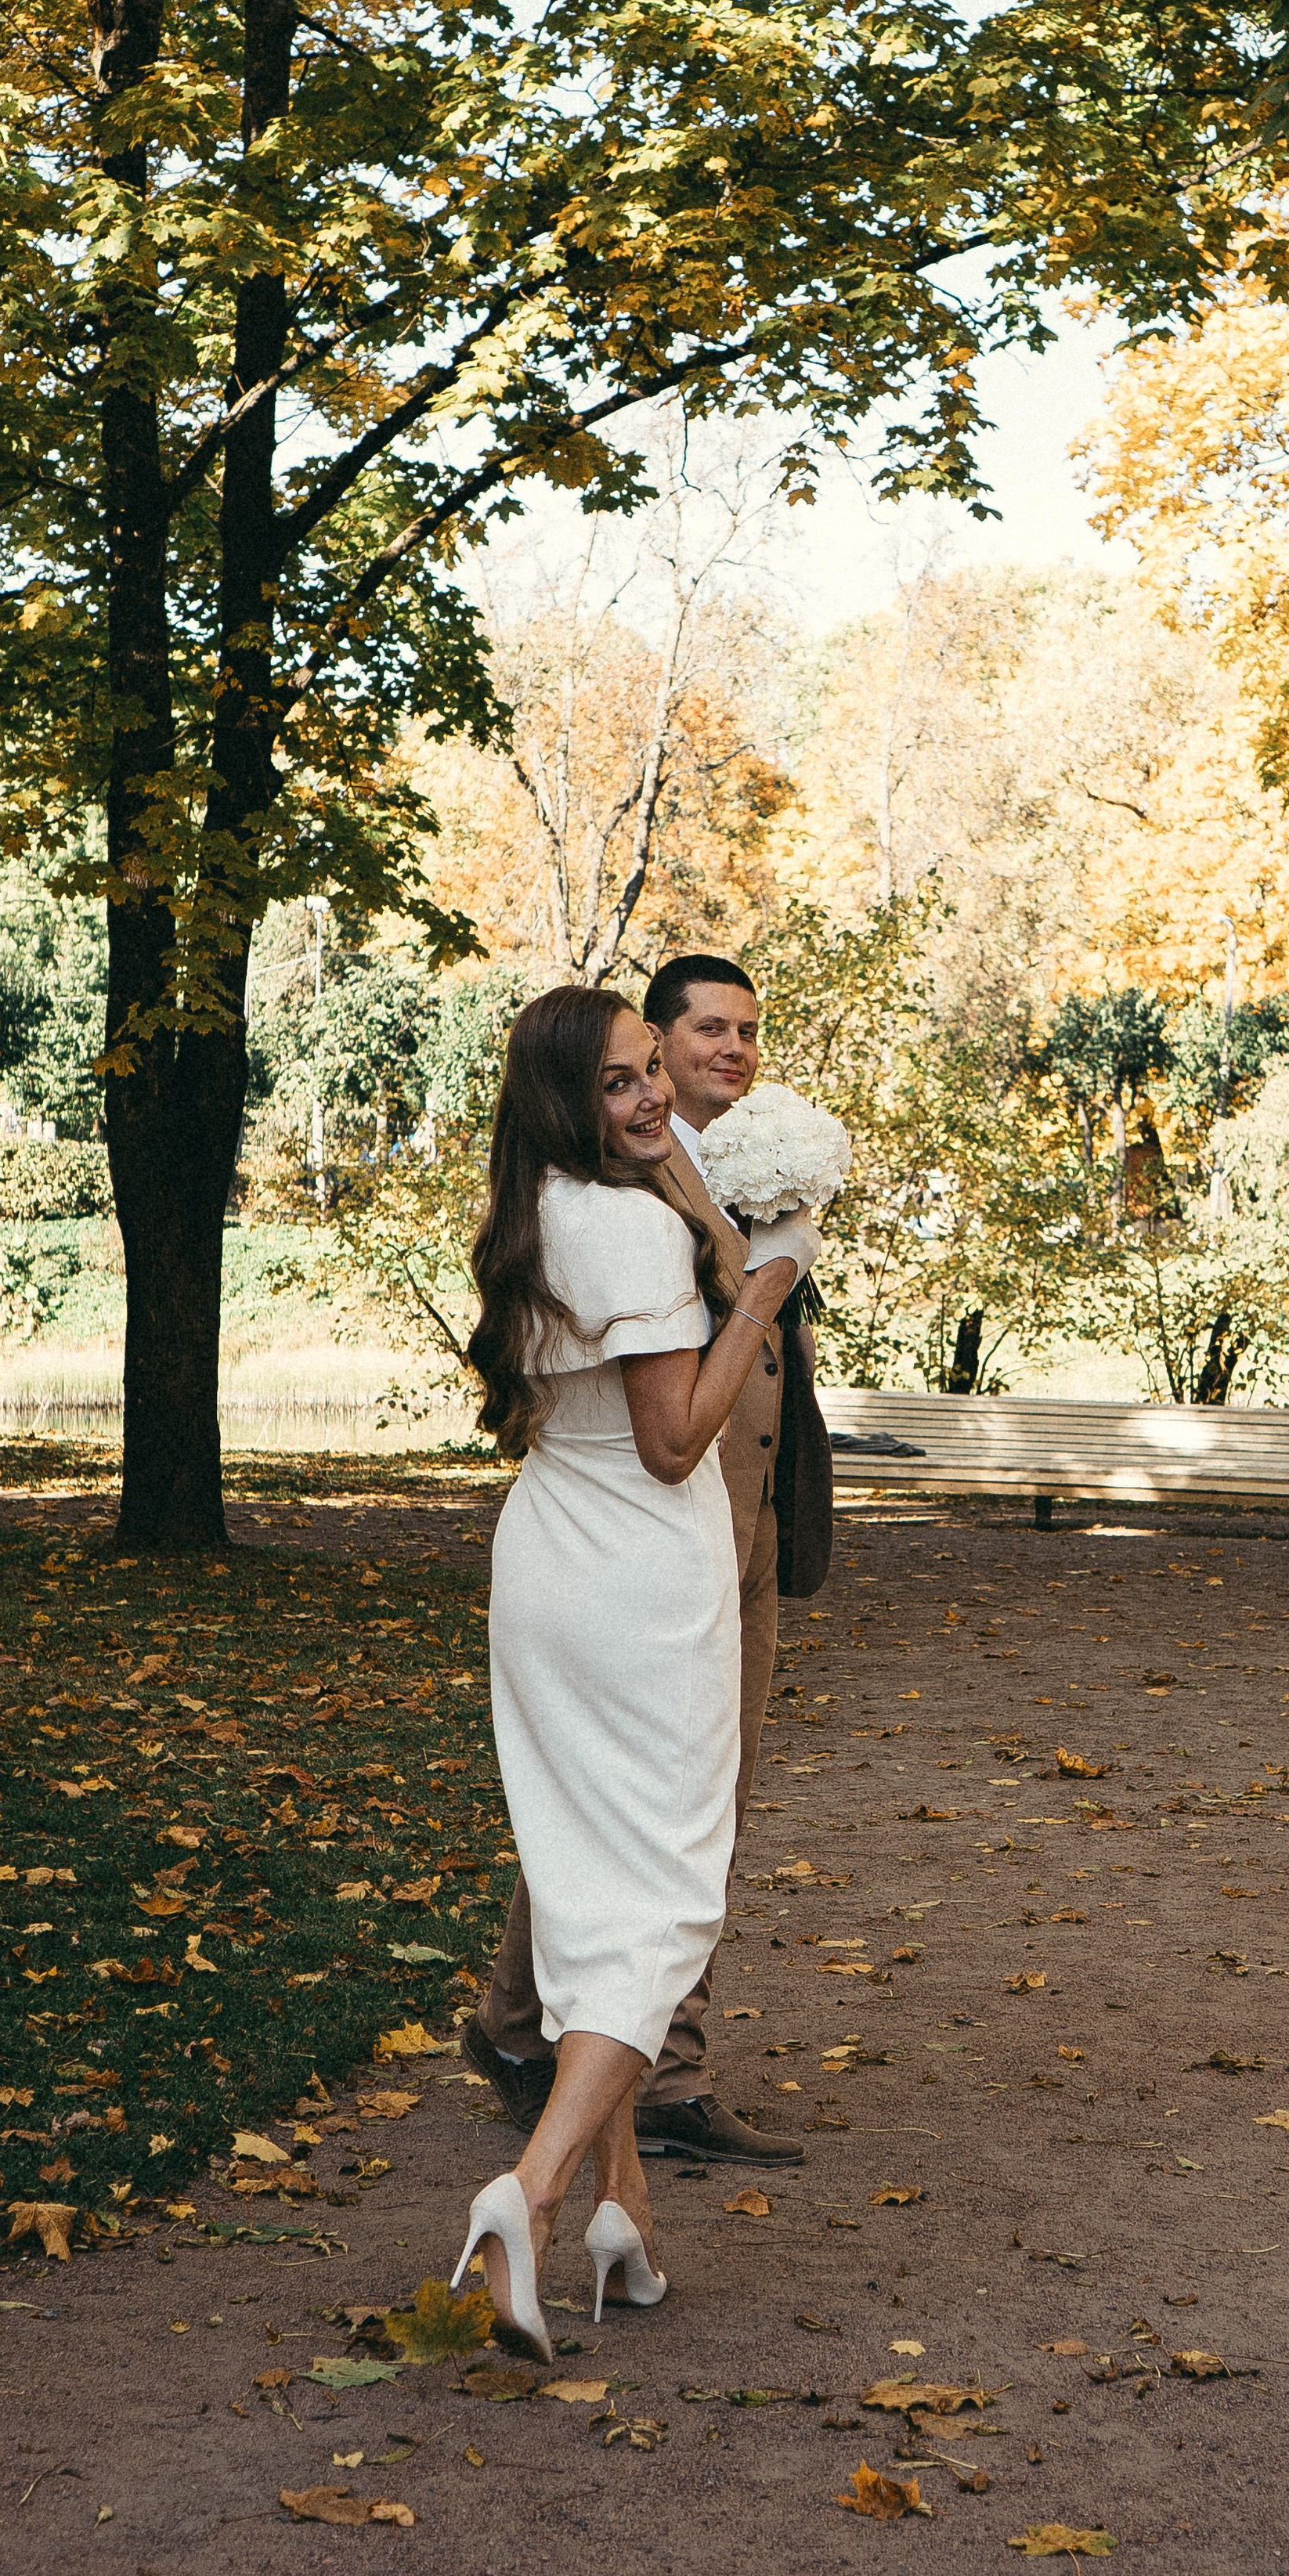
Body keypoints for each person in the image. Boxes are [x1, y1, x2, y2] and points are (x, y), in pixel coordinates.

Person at [450, 985, 816, 2353]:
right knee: (666, 1895)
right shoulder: (624, 1233)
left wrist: (696, 1199)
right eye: (616, 1084)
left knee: (587, 1876)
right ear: (567, 1102)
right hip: (642, 1568)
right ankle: (528, 2195)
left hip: (550, 1549)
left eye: (643, 1073)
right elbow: (678, 1442)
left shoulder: (543, 1209)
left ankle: (626, 2220)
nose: (652, 1096)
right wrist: (762, 1292)